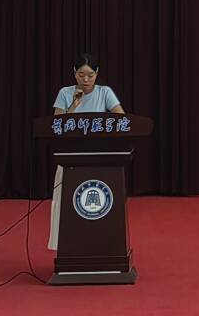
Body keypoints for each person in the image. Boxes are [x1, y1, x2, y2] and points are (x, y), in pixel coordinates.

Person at [49, 53, 125, 250]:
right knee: (68, 200)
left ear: (97, 73)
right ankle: (67, 245)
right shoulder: (65, 93)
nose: (85, 80)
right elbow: (56, 124)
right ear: (74, 73)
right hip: (70, 155)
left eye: (90, 75)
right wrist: (73, 106)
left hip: (98, 154)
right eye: (81, 75)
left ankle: (101, 243)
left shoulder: (104, 92)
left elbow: (121, 119)